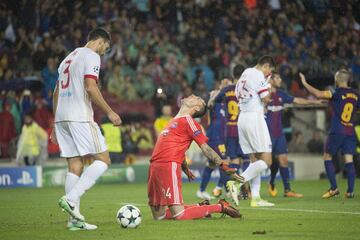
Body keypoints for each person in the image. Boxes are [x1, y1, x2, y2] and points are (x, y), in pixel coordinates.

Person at [52, 28, 122, 230]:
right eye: (105, 48)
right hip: (80, 117)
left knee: (75, 165)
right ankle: (71, 199)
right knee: (103, 159)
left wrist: (55, 124)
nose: (103, 52)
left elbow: (55, 92)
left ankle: (73, 221)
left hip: (62, 118)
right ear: (100, 42)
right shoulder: (91, 55)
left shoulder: (68, 58)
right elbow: (91, 87)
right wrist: (110, 112)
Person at [148, 94, 242, 220]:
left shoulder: (189, 121)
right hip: (154, 166)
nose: (192, 95)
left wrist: (223, 166)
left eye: (197, 98)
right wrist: (185, 168)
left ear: (196, 107)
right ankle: (199, 206)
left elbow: (205, 148)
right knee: (159, 216)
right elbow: (177, 146)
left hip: (168, 164)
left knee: (179, 215)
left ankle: (220, 207)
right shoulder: (172, 121)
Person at [300, 70, 358, 198]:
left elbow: (318, 94)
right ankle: (350, 191)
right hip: (350, 131)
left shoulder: (335, 92)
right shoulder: (356, 94)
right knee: (349, 160)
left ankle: (334, 188)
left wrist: (304, 82)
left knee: (327, 157)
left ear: (337, 80)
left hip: (338, 130)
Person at [228, 55, 275, 207]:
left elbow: (238, 94)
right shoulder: (258, 74)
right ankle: (236, 183)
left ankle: (255, 198)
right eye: (269, 70)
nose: (268, 74)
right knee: (267, 160)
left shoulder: (245, 73)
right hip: (255, 118)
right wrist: (269, 87)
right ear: (266, 65)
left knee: (254, 160)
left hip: (242, 118)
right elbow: (266, 99)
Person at [266, 72, 322, 198]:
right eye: (278, 77)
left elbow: (297, 100)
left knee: (284, 160)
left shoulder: (281, 95)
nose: (280, 79)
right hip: (266, 135)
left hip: (279, 134)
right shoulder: (263, 95)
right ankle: (268, 183)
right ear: (270, 80)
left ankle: (287, 190)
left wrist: (314, 102)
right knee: (268, 162)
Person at [214, 64, 251, 199]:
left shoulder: (227, 90)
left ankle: (236, 189)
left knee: (234, 160)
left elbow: (217, 100)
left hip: (231, 129)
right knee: (247, 159)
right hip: (244, 127)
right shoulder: (246, 88)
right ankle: (248, 191)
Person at [196, 80, 228, 200]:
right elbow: (209, 104)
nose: (226, 86)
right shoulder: (215, 99)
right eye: (224, 84)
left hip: (222, 137)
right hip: (215, 137)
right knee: (223, 162)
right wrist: (215, 94)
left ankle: (202, 190)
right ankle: (227, 189)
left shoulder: (227, 103)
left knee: (211, 164)